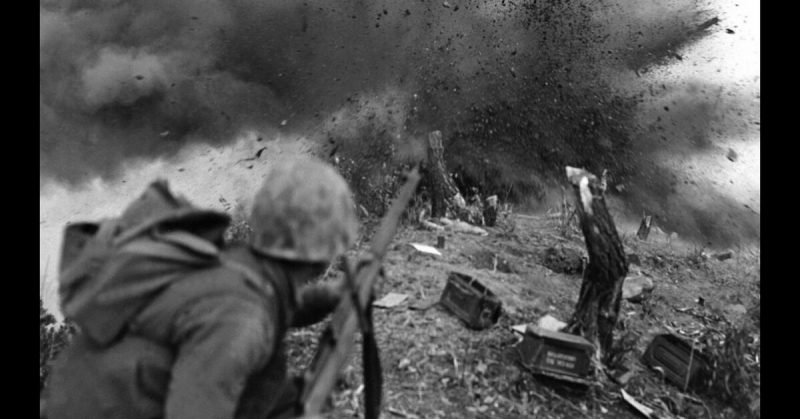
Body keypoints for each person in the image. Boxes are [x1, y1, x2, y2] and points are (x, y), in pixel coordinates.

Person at [45, 155, 359, 419]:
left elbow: (261, 305)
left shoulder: (233, 268)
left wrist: (329, 296)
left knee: (284, 397)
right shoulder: (241, 318)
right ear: (322, 254)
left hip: (92, 399)